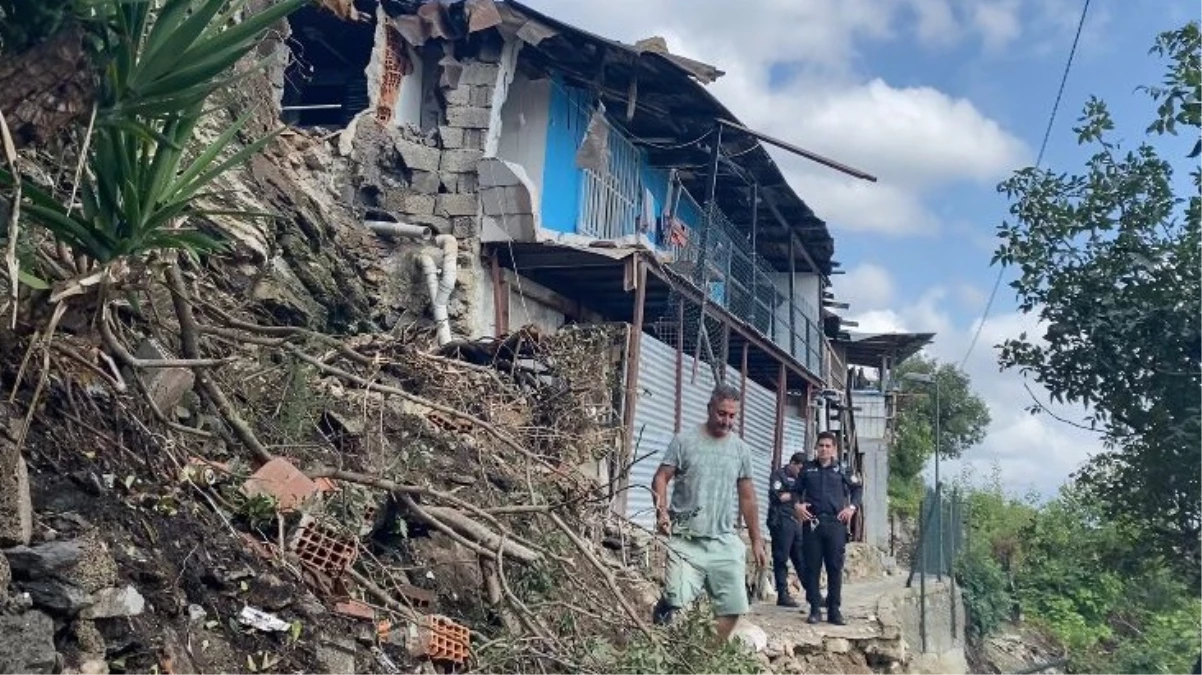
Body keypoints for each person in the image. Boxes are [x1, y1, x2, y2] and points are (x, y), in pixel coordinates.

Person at [650, 384, 769, 643]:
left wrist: (757, 540)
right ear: (709, 409)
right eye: (721, 414)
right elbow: (660, 477)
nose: (726, 421)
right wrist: (661, 513)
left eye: (732, 416)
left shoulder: (741, 450)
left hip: (724, 540)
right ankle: (660, 634)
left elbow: (748, 497)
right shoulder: (684, 441)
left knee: (734, 608)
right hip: (686, 538)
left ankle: (705, 657)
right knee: (674, 601)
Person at [793, 431, 862, 625]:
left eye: (827, 446)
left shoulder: (842, 469)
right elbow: (796, 492)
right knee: (812, 567)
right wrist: (797, 506)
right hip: (813, 523)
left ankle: (834, 610)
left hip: (835, 524)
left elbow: (857, 489)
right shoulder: (807, 469)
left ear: (834, 449)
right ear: (816, 448)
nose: (824, 449)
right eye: (821, 445)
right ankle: (815, 609)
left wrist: (851, 508)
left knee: (834, 567)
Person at [767, 452, 811, 608]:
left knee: (801, 559)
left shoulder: (802, 479)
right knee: (781, 558)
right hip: (781, 521)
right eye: (799, 468)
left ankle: (813, 595)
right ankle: (782, 594)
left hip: (796, 521)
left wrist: (792, 495)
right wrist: (794, 495)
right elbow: (778, 496)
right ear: (792, 463)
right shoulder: (779, 475)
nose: (801, 472)